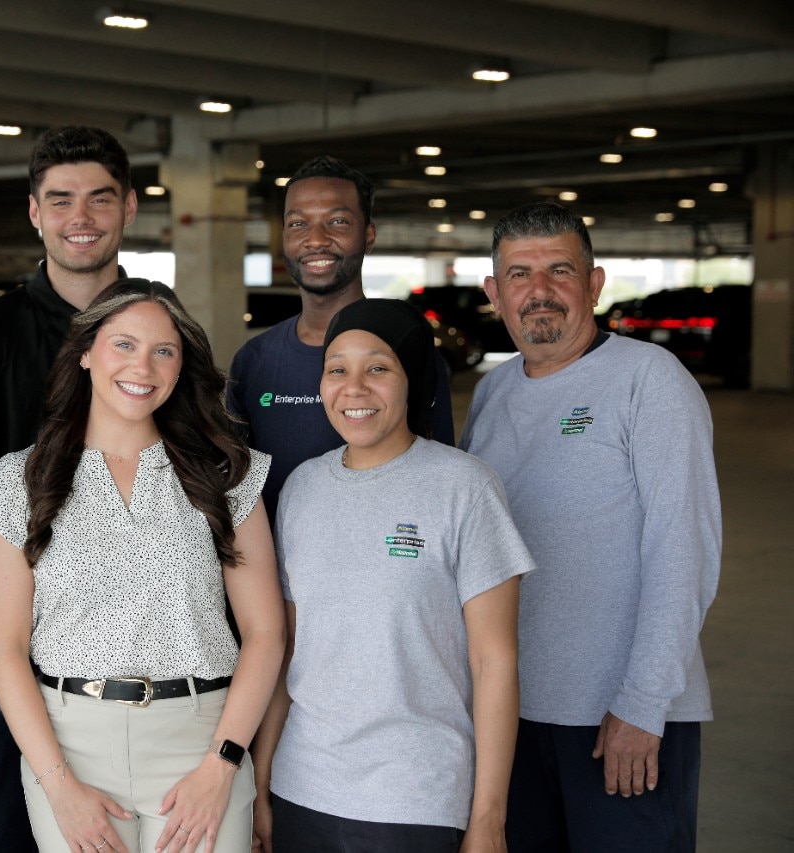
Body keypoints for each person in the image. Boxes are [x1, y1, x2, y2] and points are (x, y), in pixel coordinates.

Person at [0, 279, 286, 853]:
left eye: (163, 350)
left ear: (180, 364)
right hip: (69, 747)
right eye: (123, 344)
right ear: (86, 353)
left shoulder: (224, 475)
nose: (142, 365)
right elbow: (2, 647)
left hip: (202, 738)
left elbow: (266, 634)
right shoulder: (19, 482)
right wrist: (59, 786)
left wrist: (221, 767)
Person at [460, 202, 721, 852]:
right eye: (519, 274)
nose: (538, 291)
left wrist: (643, 700)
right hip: (514, 717)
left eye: (559, 270)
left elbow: (683, 551)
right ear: (495, 292)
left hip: (622, 718)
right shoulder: (493, 394)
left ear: (595, 283)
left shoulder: (649, 381)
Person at [251, 299, 532, 853]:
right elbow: (288, 654)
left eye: (377, 368)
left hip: (415, 797)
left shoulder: (464, 488)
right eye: (337, 369)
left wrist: (489, 820)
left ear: (412, 379)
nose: (353, 388)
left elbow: (494, 663)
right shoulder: (302, 489)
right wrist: (259, 785)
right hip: (302, 787)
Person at [0, 126, 136, 851]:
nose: (80, 217)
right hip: (16, 627)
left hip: (135, 624)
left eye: (98, 198)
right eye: (60, 200)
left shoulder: (160, 327)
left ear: (127, 207)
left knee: (121, 824)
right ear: (35, 213)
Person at [227, 155, 455, 522]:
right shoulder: (254, 360)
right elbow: (238, 495)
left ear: (368, 234)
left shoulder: (409, 353)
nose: (315, 239)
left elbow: (441, 478)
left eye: (337, 221)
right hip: (277, 573)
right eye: (298, 223)